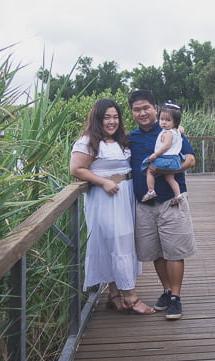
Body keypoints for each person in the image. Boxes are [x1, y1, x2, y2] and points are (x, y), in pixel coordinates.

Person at [69, 98, 155, 315]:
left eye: (115, 117)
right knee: (117, 242)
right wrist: (104, 182)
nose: (112, 121)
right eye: (107, 117)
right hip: (105, 198)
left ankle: (115, 294)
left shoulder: (121, 141)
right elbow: (77, 169)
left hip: (125, 197)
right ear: (98, 118)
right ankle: (131, 297)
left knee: (121, 242)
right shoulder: (88, 141)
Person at [128, 89, 197, 320]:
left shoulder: (171, 130)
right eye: (137, 109)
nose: (142, 112)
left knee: (174, 252)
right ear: (132, 113)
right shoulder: (130, 138)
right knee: (156, 253)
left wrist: (170, 169)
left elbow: (190, 159)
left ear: (155, 109)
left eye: (146, 107)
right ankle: (167, 292)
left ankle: (176, 297)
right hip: (145, 203)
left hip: (171, 201)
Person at [141, 103, 184, 204]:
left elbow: (166, 146)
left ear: (175, 122)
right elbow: (182, 129)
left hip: (166, 158)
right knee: (170, 178)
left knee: (149, 170)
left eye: (168, 120)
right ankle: (178, 195)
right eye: (162, 119)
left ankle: (151, 190)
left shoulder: (167, 133)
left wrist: (155, 155)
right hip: (174, 159)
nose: (164, 123)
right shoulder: (177, 131)